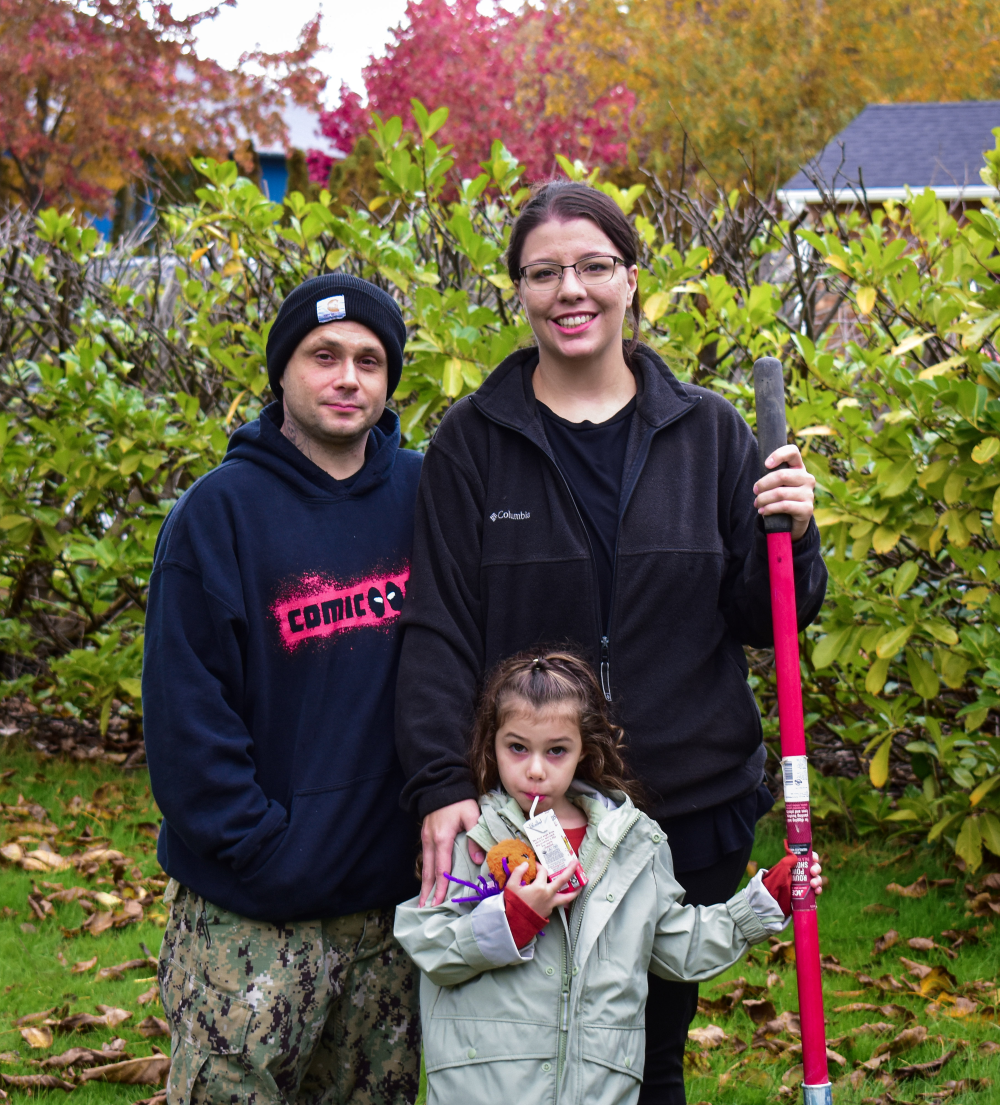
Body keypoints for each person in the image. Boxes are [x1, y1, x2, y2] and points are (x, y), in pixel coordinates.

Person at [394, 181, 828, 1104]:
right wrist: (441, 783)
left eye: (593, 265)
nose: (570, 289)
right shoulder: (472, 442)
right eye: (544, 272)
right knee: (524, 1055)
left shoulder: (708, 429)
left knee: (645, 1058)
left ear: (632, 279)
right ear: (518, 291)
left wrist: (796, 528)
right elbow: (438, 628)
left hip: (686, 805)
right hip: (532, 810)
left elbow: (767, 614)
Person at [143, 274, 423, 1105]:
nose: (348, 378)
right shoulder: (217, 515)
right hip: (251, 919)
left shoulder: (422, 495)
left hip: (389, 915)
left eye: (369, 361)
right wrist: (267, 851)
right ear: (282, 373)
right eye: (323, 356)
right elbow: (188, 721)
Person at [394, 651, 823, 1105]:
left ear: (585, 749)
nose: (535, 769)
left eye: (556, 750)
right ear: (491, 742)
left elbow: (676, 946)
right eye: (517, 747)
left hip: (597, 1090)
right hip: (487, 1088)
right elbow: (428, 942)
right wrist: (510, 920)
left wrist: (764, 904)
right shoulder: (474, 839)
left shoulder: (632, 846)